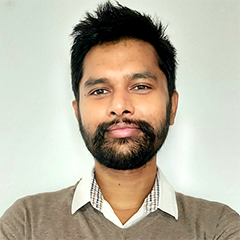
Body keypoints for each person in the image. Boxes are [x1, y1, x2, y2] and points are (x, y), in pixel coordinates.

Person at [1, 1, 240, 239]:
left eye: (140, 86)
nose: (119, 107)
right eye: (99, 91)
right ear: (77, 112)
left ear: (172, 106)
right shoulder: (26, 224)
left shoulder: (217, 227)